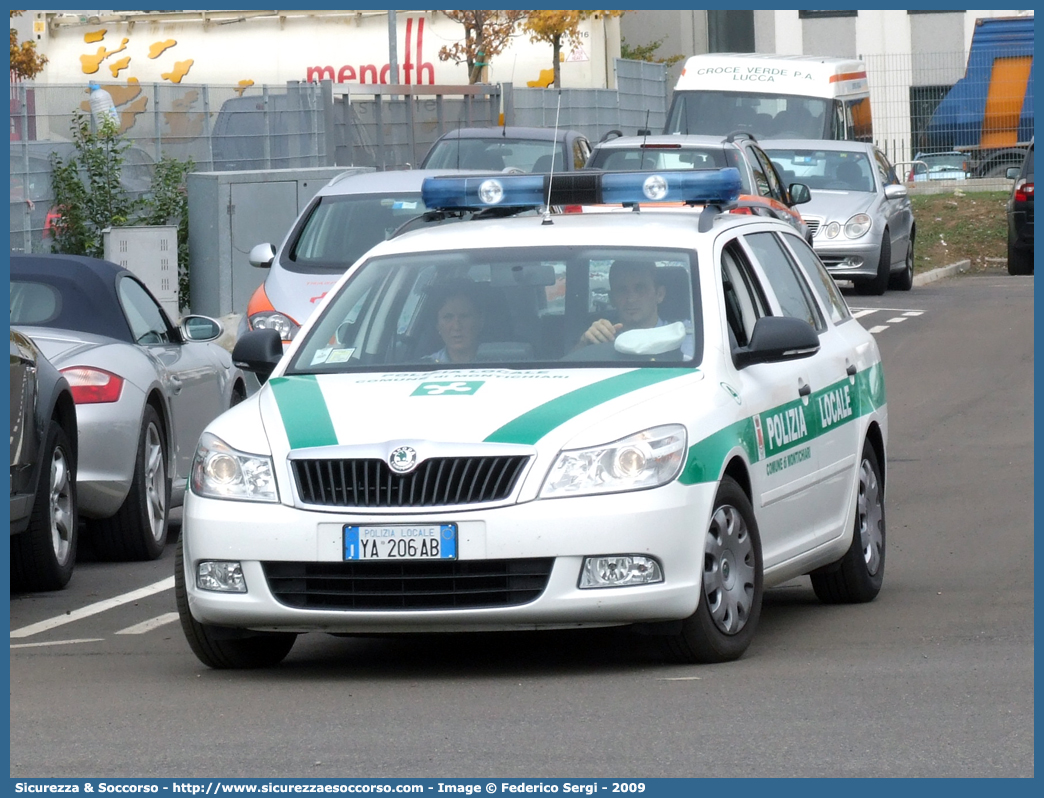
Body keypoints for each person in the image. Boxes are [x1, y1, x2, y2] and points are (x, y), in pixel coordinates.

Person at [577, 259, 693, 358]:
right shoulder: (601, 338)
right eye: (622, 290)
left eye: (640, 288)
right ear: (612, 298)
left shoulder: (690, 338)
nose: (631, 299)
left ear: (659, 294)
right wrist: (584, 342)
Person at [423, 283, 485, 364]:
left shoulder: (501, 363)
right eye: (448, 317)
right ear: (437, 325)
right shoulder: (422, 368)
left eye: (464, 316)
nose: (457, 326)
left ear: (480, 321)